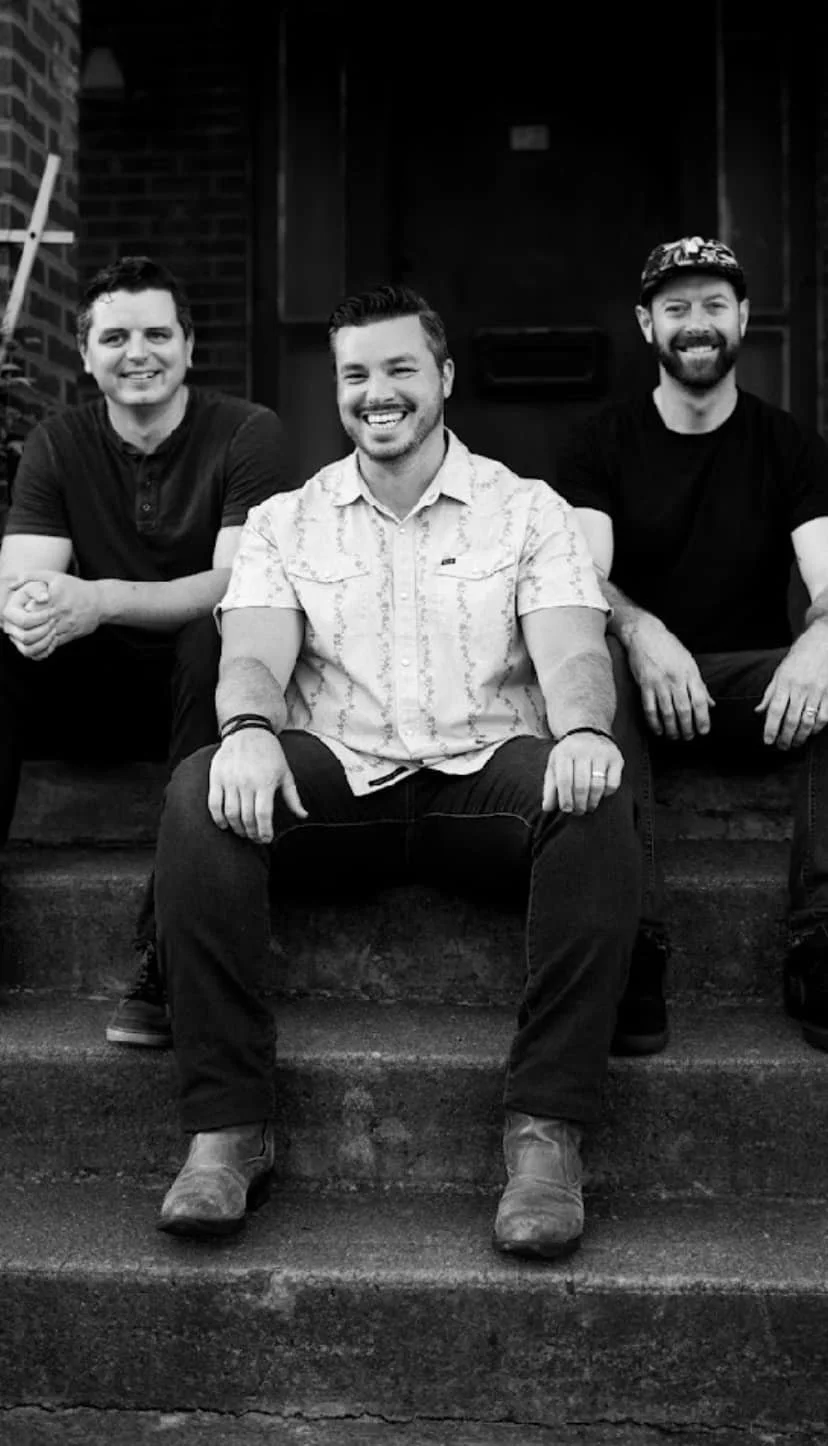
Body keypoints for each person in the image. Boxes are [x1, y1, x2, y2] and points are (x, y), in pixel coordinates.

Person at [152, 283, 640, 1257]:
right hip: (338, 779)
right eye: (356, 374)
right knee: (199, 792)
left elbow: (574, 652)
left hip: (484, 776)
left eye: (400, 368)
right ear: (338, 389)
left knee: (596, 798)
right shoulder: (288, 521)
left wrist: (586, 730)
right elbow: (252, 653)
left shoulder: (526, 510)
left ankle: (544, 1137)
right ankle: (228, 1130)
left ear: (445, 377)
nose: (378, 392)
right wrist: (245, 727)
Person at [0, 255, 289, 1047]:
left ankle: (167, 953)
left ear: (189, 346)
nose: (138, 353)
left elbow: (241, 584)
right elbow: (23, 583)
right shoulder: (57, 442)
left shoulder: (247, 432)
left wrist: (99, 599)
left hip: (201, 695)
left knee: (213, 633)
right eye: (116, 337)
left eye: (158, 334)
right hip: (92, 692)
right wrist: (30, 611)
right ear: (86, 353)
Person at [555, 235, 828, 1057]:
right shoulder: (600, 443)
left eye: (714, 304)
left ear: (742, 317)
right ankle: (633, 946)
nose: (696, 323)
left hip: (756, 693)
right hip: (636, 693)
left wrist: (821, 637)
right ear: (648, 325)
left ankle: (820, 942)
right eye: (676, 307)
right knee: (595, 654)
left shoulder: (789, 444)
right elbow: (582, 580)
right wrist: (641, 629)